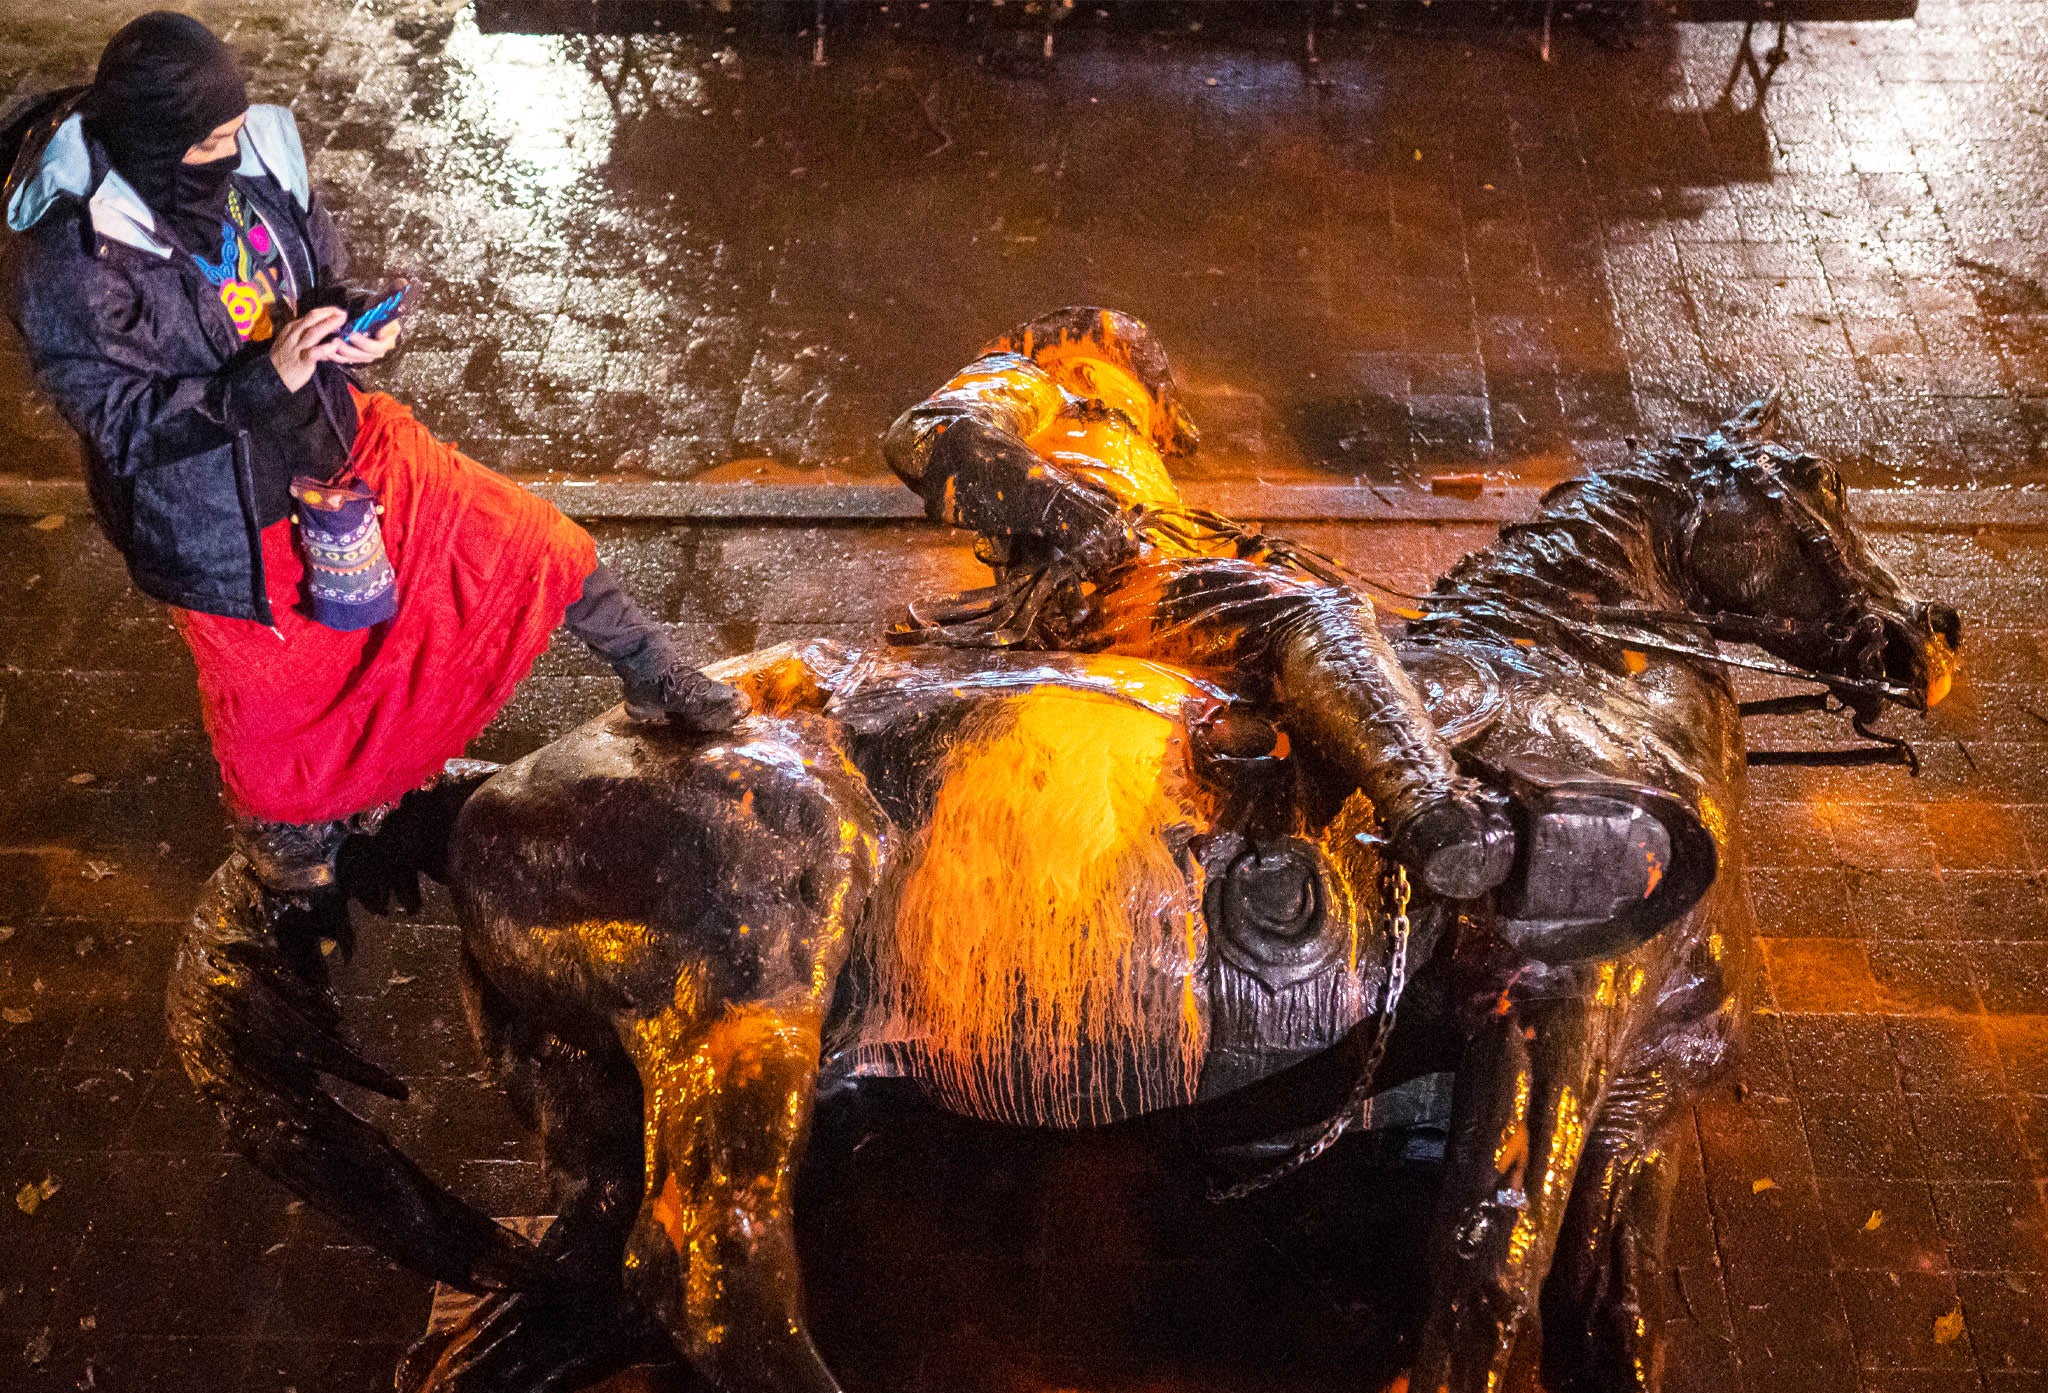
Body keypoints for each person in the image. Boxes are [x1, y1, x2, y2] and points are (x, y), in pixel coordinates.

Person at [3, 13, 746, 895]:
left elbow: (310, 264)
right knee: (281, 695)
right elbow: (123, 424)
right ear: (160, 143)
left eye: (239, 132)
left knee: (524, 540)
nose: (235, 155)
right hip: (221, 519)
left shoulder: (251, 165)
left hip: (338, 437)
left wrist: (347, 321)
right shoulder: (72, 257)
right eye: (214, 142)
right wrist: (263, 378)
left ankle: (651, 670)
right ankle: (283, 832)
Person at [884, 307, 1673, 922]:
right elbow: (929, 435)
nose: (1152, 411)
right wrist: (1061, 506)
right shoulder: (1041, 380)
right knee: (1313, 617)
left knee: (1342, 627)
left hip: (1140, 572)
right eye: (1141, 388)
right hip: (1102, 588)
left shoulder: (1121, 446)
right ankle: (1433, 810)